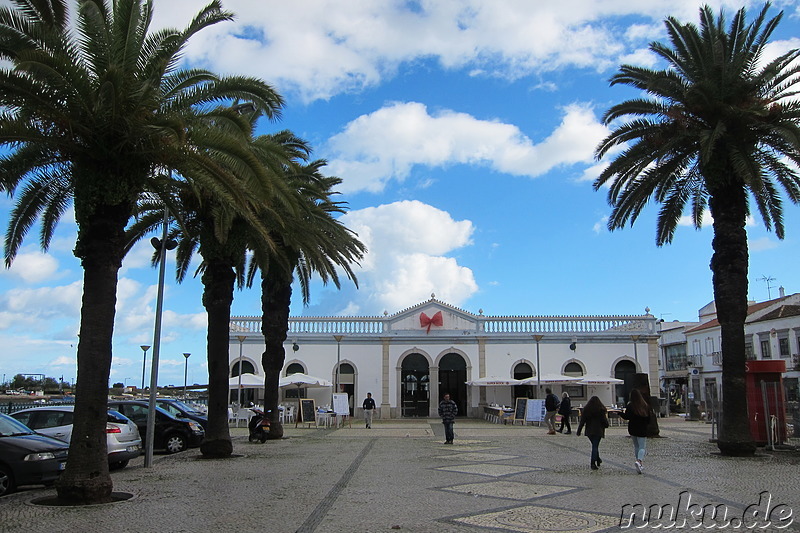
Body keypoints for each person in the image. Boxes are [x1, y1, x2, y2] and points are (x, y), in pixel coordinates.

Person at [620, 388, 651, 474]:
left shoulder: (630, 406)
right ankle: (639, 461)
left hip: (633, 428)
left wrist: (620, 413)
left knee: (636, 446)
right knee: (642, 447)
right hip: (642, 428)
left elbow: (627, 417)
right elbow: (649, 418)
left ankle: (638, 462)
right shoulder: (645, 405)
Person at [576, 396, 609, 470]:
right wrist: (606, 425)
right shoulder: (601, 410)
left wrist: (579, 431)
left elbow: (582, 421)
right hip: (598, 430)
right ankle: (593, 463)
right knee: (595, 446)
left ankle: (597, 459)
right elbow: (604, 420)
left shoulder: (586, 410)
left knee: (594, 446)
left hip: (589, 431)